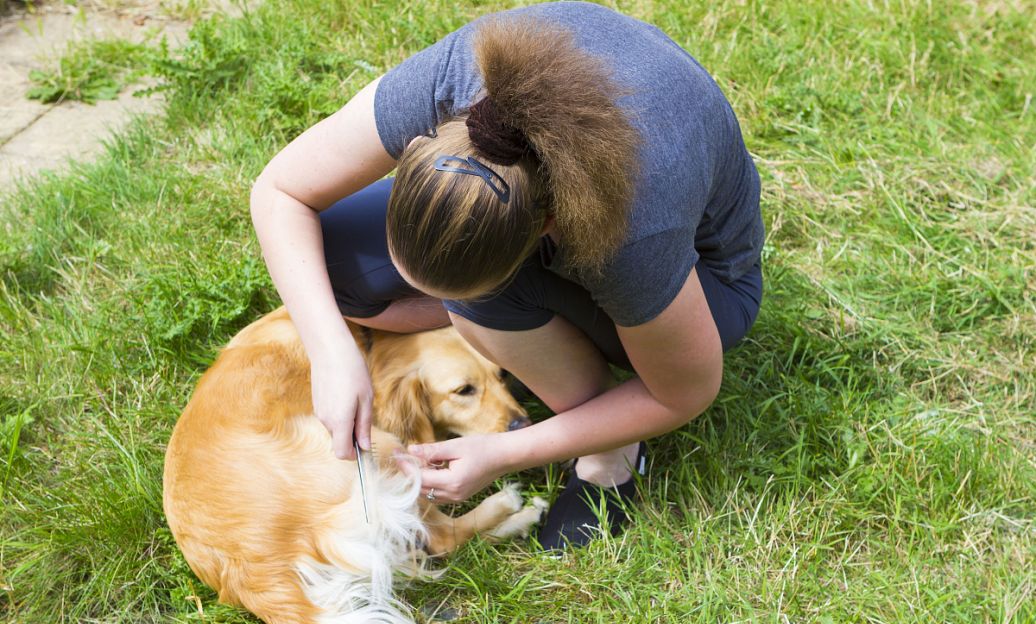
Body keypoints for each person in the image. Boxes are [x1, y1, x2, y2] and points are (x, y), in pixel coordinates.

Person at [249, 2, 764, 550]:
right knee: (333, 259)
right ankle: (522, 322)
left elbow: (684, 393)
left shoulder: (635, 234)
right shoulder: (449, 85)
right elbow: (280, 191)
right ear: (419, 147)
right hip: (566, 192)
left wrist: (505, 452)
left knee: (488, 302)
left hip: (709, 285)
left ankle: (610, 455)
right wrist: (330, 351)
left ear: (544, 229)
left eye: (446, 299)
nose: (436, 308)